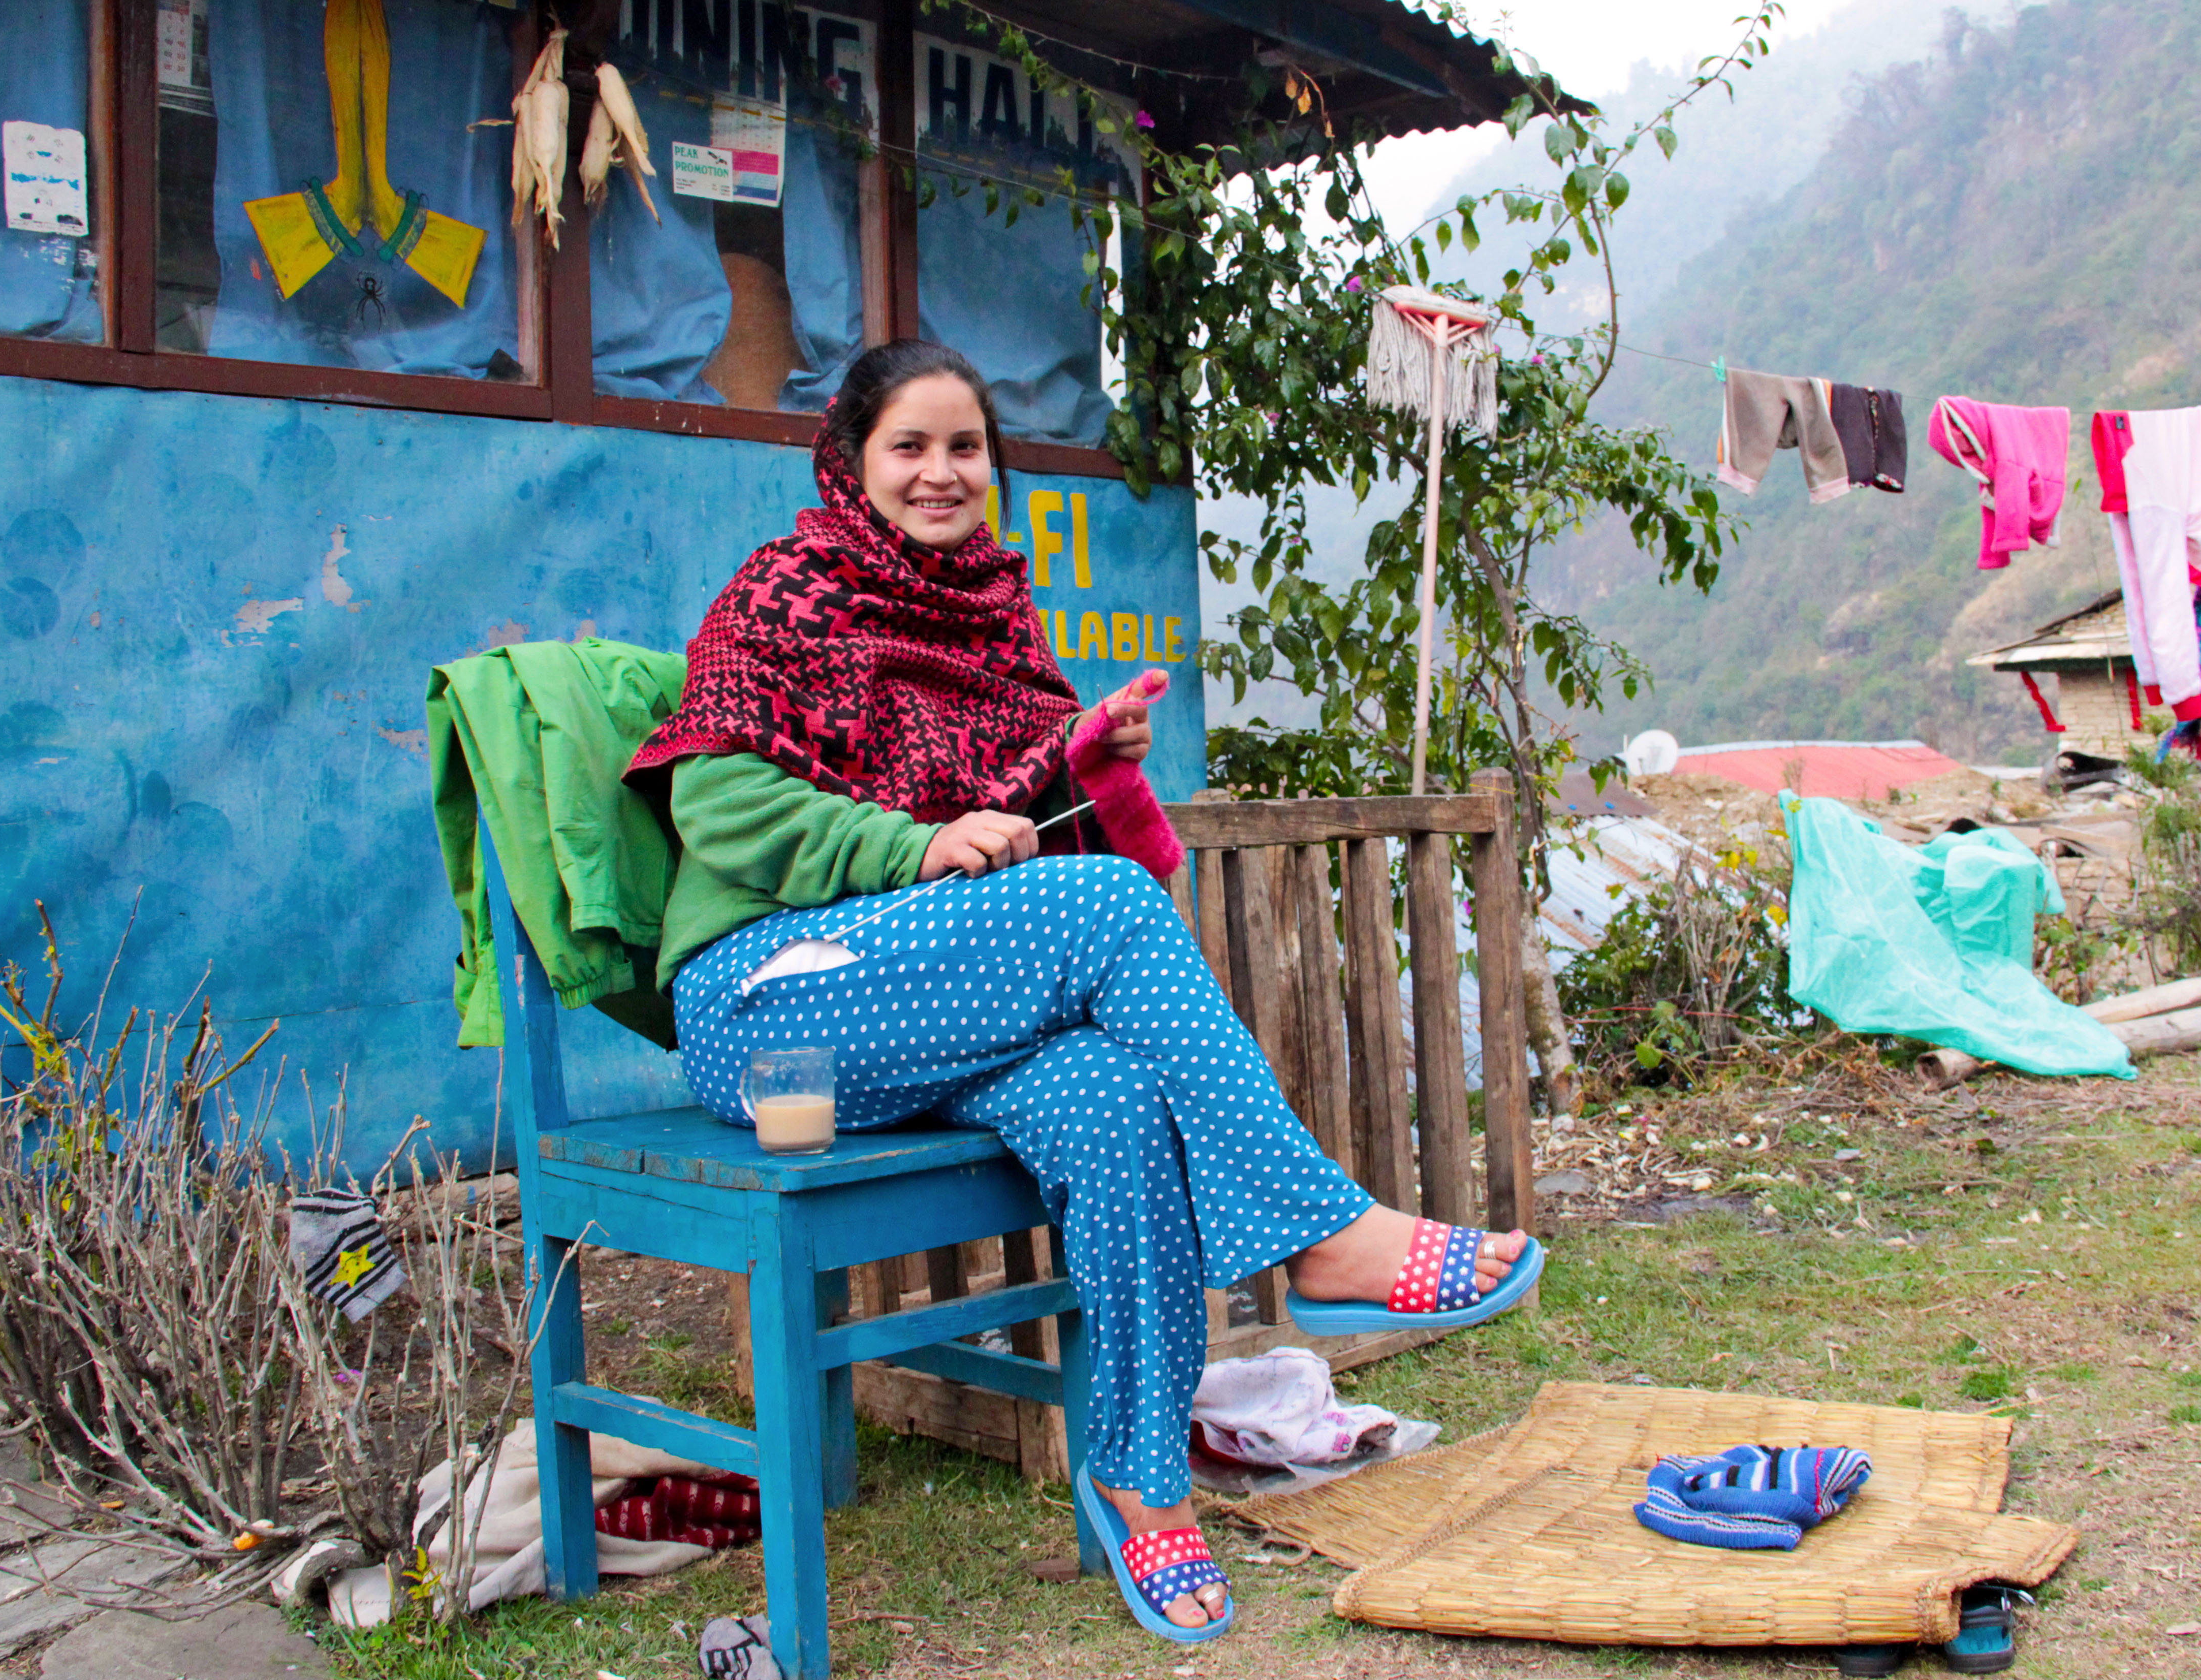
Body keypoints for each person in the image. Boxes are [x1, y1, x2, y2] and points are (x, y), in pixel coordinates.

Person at [626, 338, 1542, 1642]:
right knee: (1105, 908)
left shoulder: (993, 616)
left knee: (1111, 1097)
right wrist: (911, 848)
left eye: (965, 448)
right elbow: (719, 804)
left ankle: (1140, 1476)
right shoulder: (783, 595)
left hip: (927, 997)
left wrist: (1083, 766)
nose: (941, 474)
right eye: (909, 447)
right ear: (850, 462)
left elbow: (1021, 840)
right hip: (770, 1007)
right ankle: (1320, 1235)